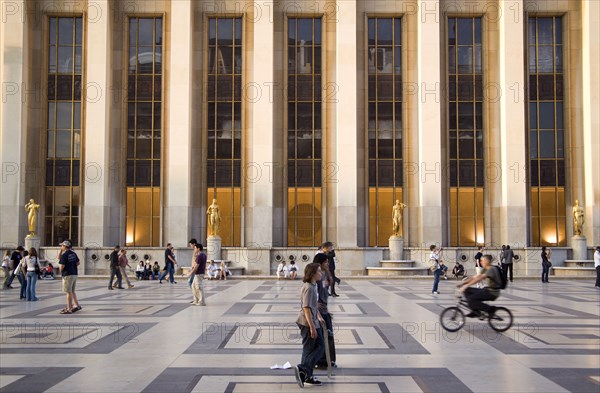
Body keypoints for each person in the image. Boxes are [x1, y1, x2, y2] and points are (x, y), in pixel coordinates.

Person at [294, 262, 326, 388]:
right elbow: (306, 308)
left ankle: (307, 375)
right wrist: (312, 327)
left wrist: (318, 316)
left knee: (315, 348)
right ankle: (303, 369)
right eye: (319, 271)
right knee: (314, 348)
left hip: (313, 320)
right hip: (306, 323)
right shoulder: (308, 287)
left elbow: (313, 305)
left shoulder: (314, 285)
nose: (321, 273)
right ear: (312, 274)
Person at [314, 253, 337, 369]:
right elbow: (312, 290)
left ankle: (329, 359)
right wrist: (316, 307)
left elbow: (330, 281)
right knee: (323, 336)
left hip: (325, 309)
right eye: (326, 262)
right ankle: (321, 360)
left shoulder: (323, 274)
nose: (328, 263)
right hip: (319, 310)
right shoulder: (317, 276)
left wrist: (327, 270)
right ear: (320, 263)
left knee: (329, 335)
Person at [58, 240, 81, 314]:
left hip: (67, 274)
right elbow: (78, 262)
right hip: (74, 273)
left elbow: (62, 266)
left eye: (62, 246)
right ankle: (74, 305)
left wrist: (61, 271)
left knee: (68, 292)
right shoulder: (73, 253)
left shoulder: (64, 255)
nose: (61, 247)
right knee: (72, 291)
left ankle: (69, 308)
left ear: (65, 246)